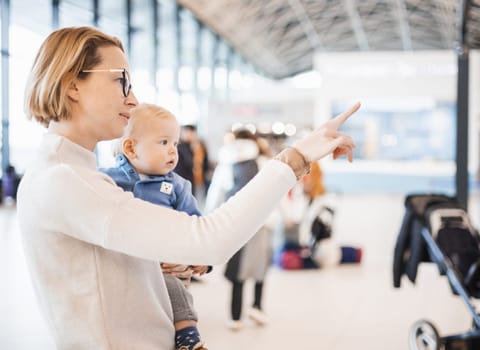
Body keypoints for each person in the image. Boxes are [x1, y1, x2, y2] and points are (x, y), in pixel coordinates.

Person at [18, 25, 359, 349]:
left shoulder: (72, 173)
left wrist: (159, 265)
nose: (133, 99)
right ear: (71, 85)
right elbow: (209, 239)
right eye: (121, 81)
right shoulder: (66, 181)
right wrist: (297, 157)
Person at [99, 103, 210, 350]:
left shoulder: (177, 186)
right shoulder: (106, 180)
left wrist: (201, 258)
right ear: (131, 147)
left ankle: (187, 335)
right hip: (123, 267)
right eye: (163, 143)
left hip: (165, 267)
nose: (173, 151)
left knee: (171, 287)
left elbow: (196, 227)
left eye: (175, 144)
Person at [205, 130, 275, 331]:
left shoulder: (226, 162)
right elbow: (274, 191)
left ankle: (235, 316)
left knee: (237, 269)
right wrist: (286, 216)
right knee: (260, 267)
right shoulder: (262, 162)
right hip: (261, 223)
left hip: (234, 223)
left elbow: (215, 193)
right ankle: (257, 307)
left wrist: (209, 218)